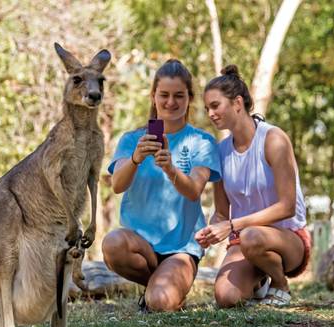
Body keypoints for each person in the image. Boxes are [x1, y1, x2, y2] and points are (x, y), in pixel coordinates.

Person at [101, 59, 221, 312]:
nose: (171, 102)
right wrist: (135, 159)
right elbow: (117, 186)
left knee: (159, 303)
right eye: (164, 94)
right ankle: (159, 283)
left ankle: (164, 290)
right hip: (140, 245)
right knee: (111, 243)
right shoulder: (132, 139)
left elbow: (194, 190)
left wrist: (170, 168)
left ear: (189, 98)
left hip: (182, 247)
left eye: (179, 95)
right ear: (153, 96)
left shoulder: (201, 141)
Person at [195, 65, 310, 308]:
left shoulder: (273, 140)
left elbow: (287, 207)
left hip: (288, 238)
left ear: (238, 103)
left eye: (215, 105)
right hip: (246, 240)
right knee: (226, 298)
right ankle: (259, 283)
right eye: (207, 109)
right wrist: (209, 232)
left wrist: (233, 225)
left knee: (251, 236)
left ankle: (280, 284)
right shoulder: (221, 152)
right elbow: (222, 214)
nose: (211, 113)